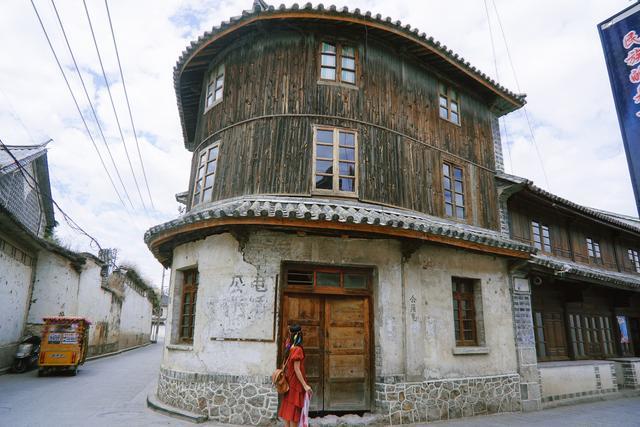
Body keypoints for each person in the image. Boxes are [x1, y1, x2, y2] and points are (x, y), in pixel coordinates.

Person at [278, 324, 312, 426]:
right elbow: (297, 370)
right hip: (295, 384)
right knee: (293, 414)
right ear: (299, 335)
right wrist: (305, 385)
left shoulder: (289, 346)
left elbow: (285, 365)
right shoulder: (297, 349)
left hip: (289, 383)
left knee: (288, 413)